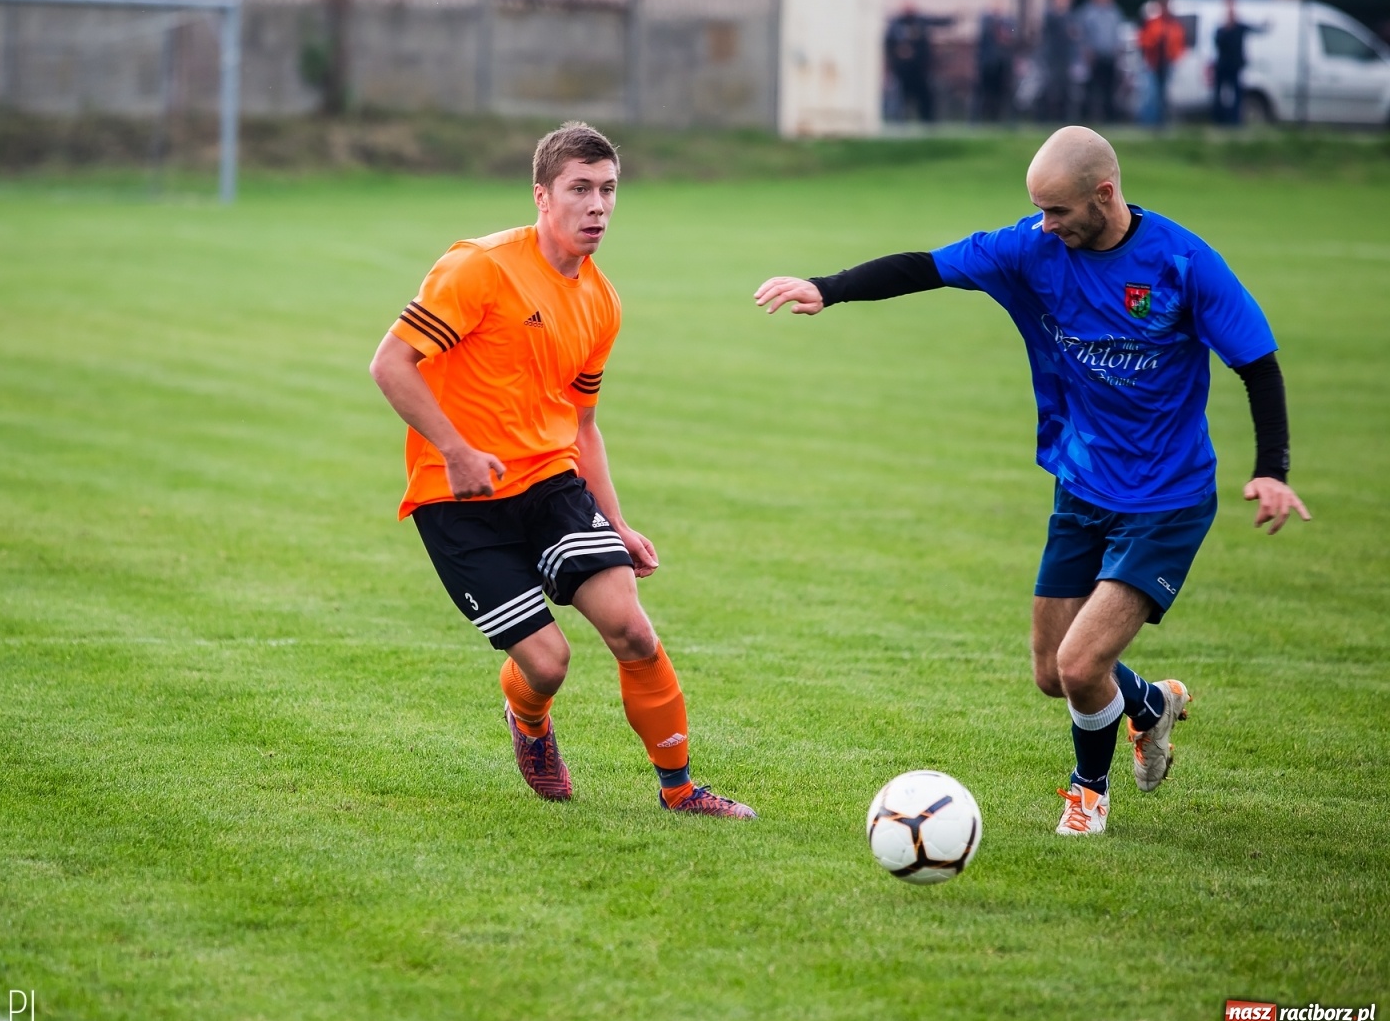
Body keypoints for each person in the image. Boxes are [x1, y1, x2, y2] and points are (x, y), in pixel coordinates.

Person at [753, 127, 1308, 837]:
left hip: (1166, 500)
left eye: (1057, 211)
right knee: (1053, 672)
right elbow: (927, 265)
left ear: (1104, 194)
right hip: (1081, 486)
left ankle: (1087, 793)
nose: (1045, 225)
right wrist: (827, 289)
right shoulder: (1033, 249)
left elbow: (1256, 361)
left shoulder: (1181, 262)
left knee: (1081, 665)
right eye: (1038, 211)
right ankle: (1148, 705)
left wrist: (1273, 469)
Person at [368, 122, 755, 819]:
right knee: (547, 662)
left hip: (550, 484)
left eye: (608, 190)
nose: (597, 206)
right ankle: (531, 722)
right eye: (580, 189)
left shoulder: (601, 301)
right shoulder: (478, 267)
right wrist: (455, 450)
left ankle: (680, 790)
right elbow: (389, 364)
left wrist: (617, 522)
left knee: (632, 630)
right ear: (542, 196)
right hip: (458, 498)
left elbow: (582, 426)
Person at [885, 3, 954, 123]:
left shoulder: (921, 21)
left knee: (925, 98)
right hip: (903, 71)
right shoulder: (895, 24)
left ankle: (928, 124)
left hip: (920, 71)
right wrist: (898, 52)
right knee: (900, 100)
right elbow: (888, 45)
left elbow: (938, 22)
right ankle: (897, 123)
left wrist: (954, 18)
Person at [1076, 0, 1124, 122]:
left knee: (1110, 91)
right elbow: (1080, 34)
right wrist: (1085, 51)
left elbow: (1117, 35)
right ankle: (1091, 119)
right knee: (1093, 91)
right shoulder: (1087, 12)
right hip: (1093, 57)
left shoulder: (1114, 12)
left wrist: (1118, 51)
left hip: (1110, 57)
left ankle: (1109, 119)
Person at [1137, 0, 1186, 126]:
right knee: (1151, 95)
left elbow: (1179, 43)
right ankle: (1148, 124)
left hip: (1166, 64)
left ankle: (1161, 123)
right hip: (1153, 64)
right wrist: (1155, 40)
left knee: (1163, 95)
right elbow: (1143, 39)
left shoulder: (1174, 24)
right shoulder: (1153, 23)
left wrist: (1175, 56)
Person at [1213, 0, 1264, 125]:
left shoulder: (1240, 27)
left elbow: (1256, 29)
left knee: (1236, 95)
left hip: (1235, 66)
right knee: (1219, 95)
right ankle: (1220, 119)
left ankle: (1235, 121)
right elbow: (1218, 43)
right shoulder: (1222, 30)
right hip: (1223, 66)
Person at [1040, 0, 1080, 122]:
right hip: (1052, 59)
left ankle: (1064, 121)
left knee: (1066, 92)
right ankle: (1047, 119)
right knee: (1051, 91)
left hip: (1066, 59)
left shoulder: (1071, 16)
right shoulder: (1051, 14)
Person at [976, 0, 1019, 123]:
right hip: (988, 65)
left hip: (1003, 65)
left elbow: (1012, 35)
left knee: (1004, 94)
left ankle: (1002, 120)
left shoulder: (1008, 22)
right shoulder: (986, 20)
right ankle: (982, 120)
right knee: (986, 94)